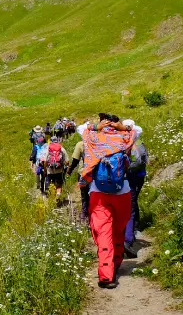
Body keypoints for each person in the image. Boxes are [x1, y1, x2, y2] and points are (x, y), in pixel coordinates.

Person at [78, 113, 139, 289]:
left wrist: (96, 127)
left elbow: (80, 128)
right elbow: (138, 129)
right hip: (123, 192)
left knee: (103, 233)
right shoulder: (125, 137)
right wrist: (122, 127)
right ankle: (117, 262)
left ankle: (106, 275)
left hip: (99, 193)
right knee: (118, 230)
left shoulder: (93, 137)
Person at [122, 119, 146, 258]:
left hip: (125, 179)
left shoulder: (122, 143)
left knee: (126, 208)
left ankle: (127, 237)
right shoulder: (138, 143)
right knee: (131, 206)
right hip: (137, 177)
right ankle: (129, 237)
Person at [67, 140, 89, 221]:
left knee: (84, 195)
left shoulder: (81, 144)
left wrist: (70, 170)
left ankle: (84, 213)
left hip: (83, 173)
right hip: (97, 173)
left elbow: (75, 161)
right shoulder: (99, 142)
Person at [45, 136, 70, 201]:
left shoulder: (48, 148)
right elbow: (67, 161)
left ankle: (51, 198)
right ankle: (58, 195)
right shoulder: (61, 148)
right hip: (59, 170)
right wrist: (67, 169)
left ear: (50, 141)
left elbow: (44, 161)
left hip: (50, 171)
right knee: (59, 185)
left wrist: (45, 170)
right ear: (57, 140)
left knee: (51, 184)